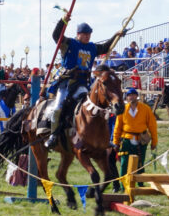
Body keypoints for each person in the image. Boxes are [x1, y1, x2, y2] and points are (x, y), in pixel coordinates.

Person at [44, 17, 124, 148]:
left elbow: (105, 47)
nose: (87, 36)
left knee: (97, 106)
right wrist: (63, 21)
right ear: (78, 34)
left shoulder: (92, 47)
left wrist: (116, 35)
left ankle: (102, 137)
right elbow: (56, 36)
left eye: (89, 34)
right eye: (85, 34)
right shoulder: (69, 44)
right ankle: (54, 135)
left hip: (83, 84)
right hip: (67, 83)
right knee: (58, 108)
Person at [113, 87, 158, 179]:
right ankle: (124, 186)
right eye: (129, 95)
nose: (131, 97)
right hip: (126, 139)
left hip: (141, 139)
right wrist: (115, 142)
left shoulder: (145, 109)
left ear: (137, 96)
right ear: (127, 98)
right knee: (124, 163)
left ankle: (140, 184)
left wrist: (154, 141)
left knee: (140, 163)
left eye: (133, 95)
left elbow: (152, 126)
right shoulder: (123, 109)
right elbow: (117, 127)